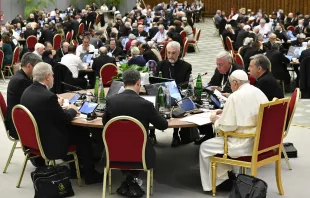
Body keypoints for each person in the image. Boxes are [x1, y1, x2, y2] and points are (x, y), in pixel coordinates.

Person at [21, 62, 102, 184]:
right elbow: (65, 118)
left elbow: (45, 110)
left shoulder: (27, 91)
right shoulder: (48, 96)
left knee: (76, 131)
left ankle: (76, 170)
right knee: (83, 133)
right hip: (50, 142)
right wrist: (72, 109)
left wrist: (56, 105)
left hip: (34, 140)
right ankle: (89, 174)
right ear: (47, 77)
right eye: (52, 75)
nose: (53, 78)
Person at [102, 68, 168, 196]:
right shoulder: (146, 104)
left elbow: (106, 124)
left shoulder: (111, 101)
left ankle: (129, 179)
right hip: (141, 155)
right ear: (138, 83)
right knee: (143, 143)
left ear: (123, 84)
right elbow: (163, 125)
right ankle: (132, 179)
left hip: (114, 153)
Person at [200, 70, 269, 192]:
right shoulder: (258, 91)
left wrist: (215, 120)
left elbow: (226, 127)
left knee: (205, 147)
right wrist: (226, 112)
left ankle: (214, 184)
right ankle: (227, 176)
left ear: (236, 83)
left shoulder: (235, 96)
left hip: (242, 142)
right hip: (259, 140)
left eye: (231, 84)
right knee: (217, 144)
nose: (231, 87)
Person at [155, 41, 192, 147]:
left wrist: (174, 89)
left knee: (178, 104)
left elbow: (186, 83)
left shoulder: (186, 66)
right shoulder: (161, 64)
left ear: (179, 53)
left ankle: (176, 135)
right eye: (169, 53)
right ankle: (152, 134)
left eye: (173, 53)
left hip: (178, 94)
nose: (170, 56)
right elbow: (155, 80)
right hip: (162, 93)